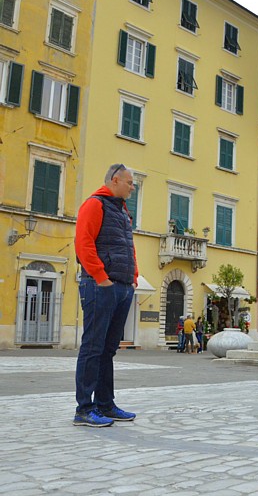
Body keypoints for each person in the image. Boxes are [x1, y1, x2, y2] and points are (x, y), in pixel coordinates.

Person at [73, 163, 138, 427]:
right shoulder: (94, 204)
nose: (132, 187)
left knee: (108, 350)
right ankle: (84, 409)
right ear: (115, 180)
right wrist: (101, 278)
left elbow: (128, 247)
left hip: (122, 287)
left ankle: (105, 404)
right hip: (100, 286)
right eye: (130, 182)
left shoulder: (121, 211)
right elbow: (83, 243)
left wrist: (133, 279)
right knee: (92, 347)